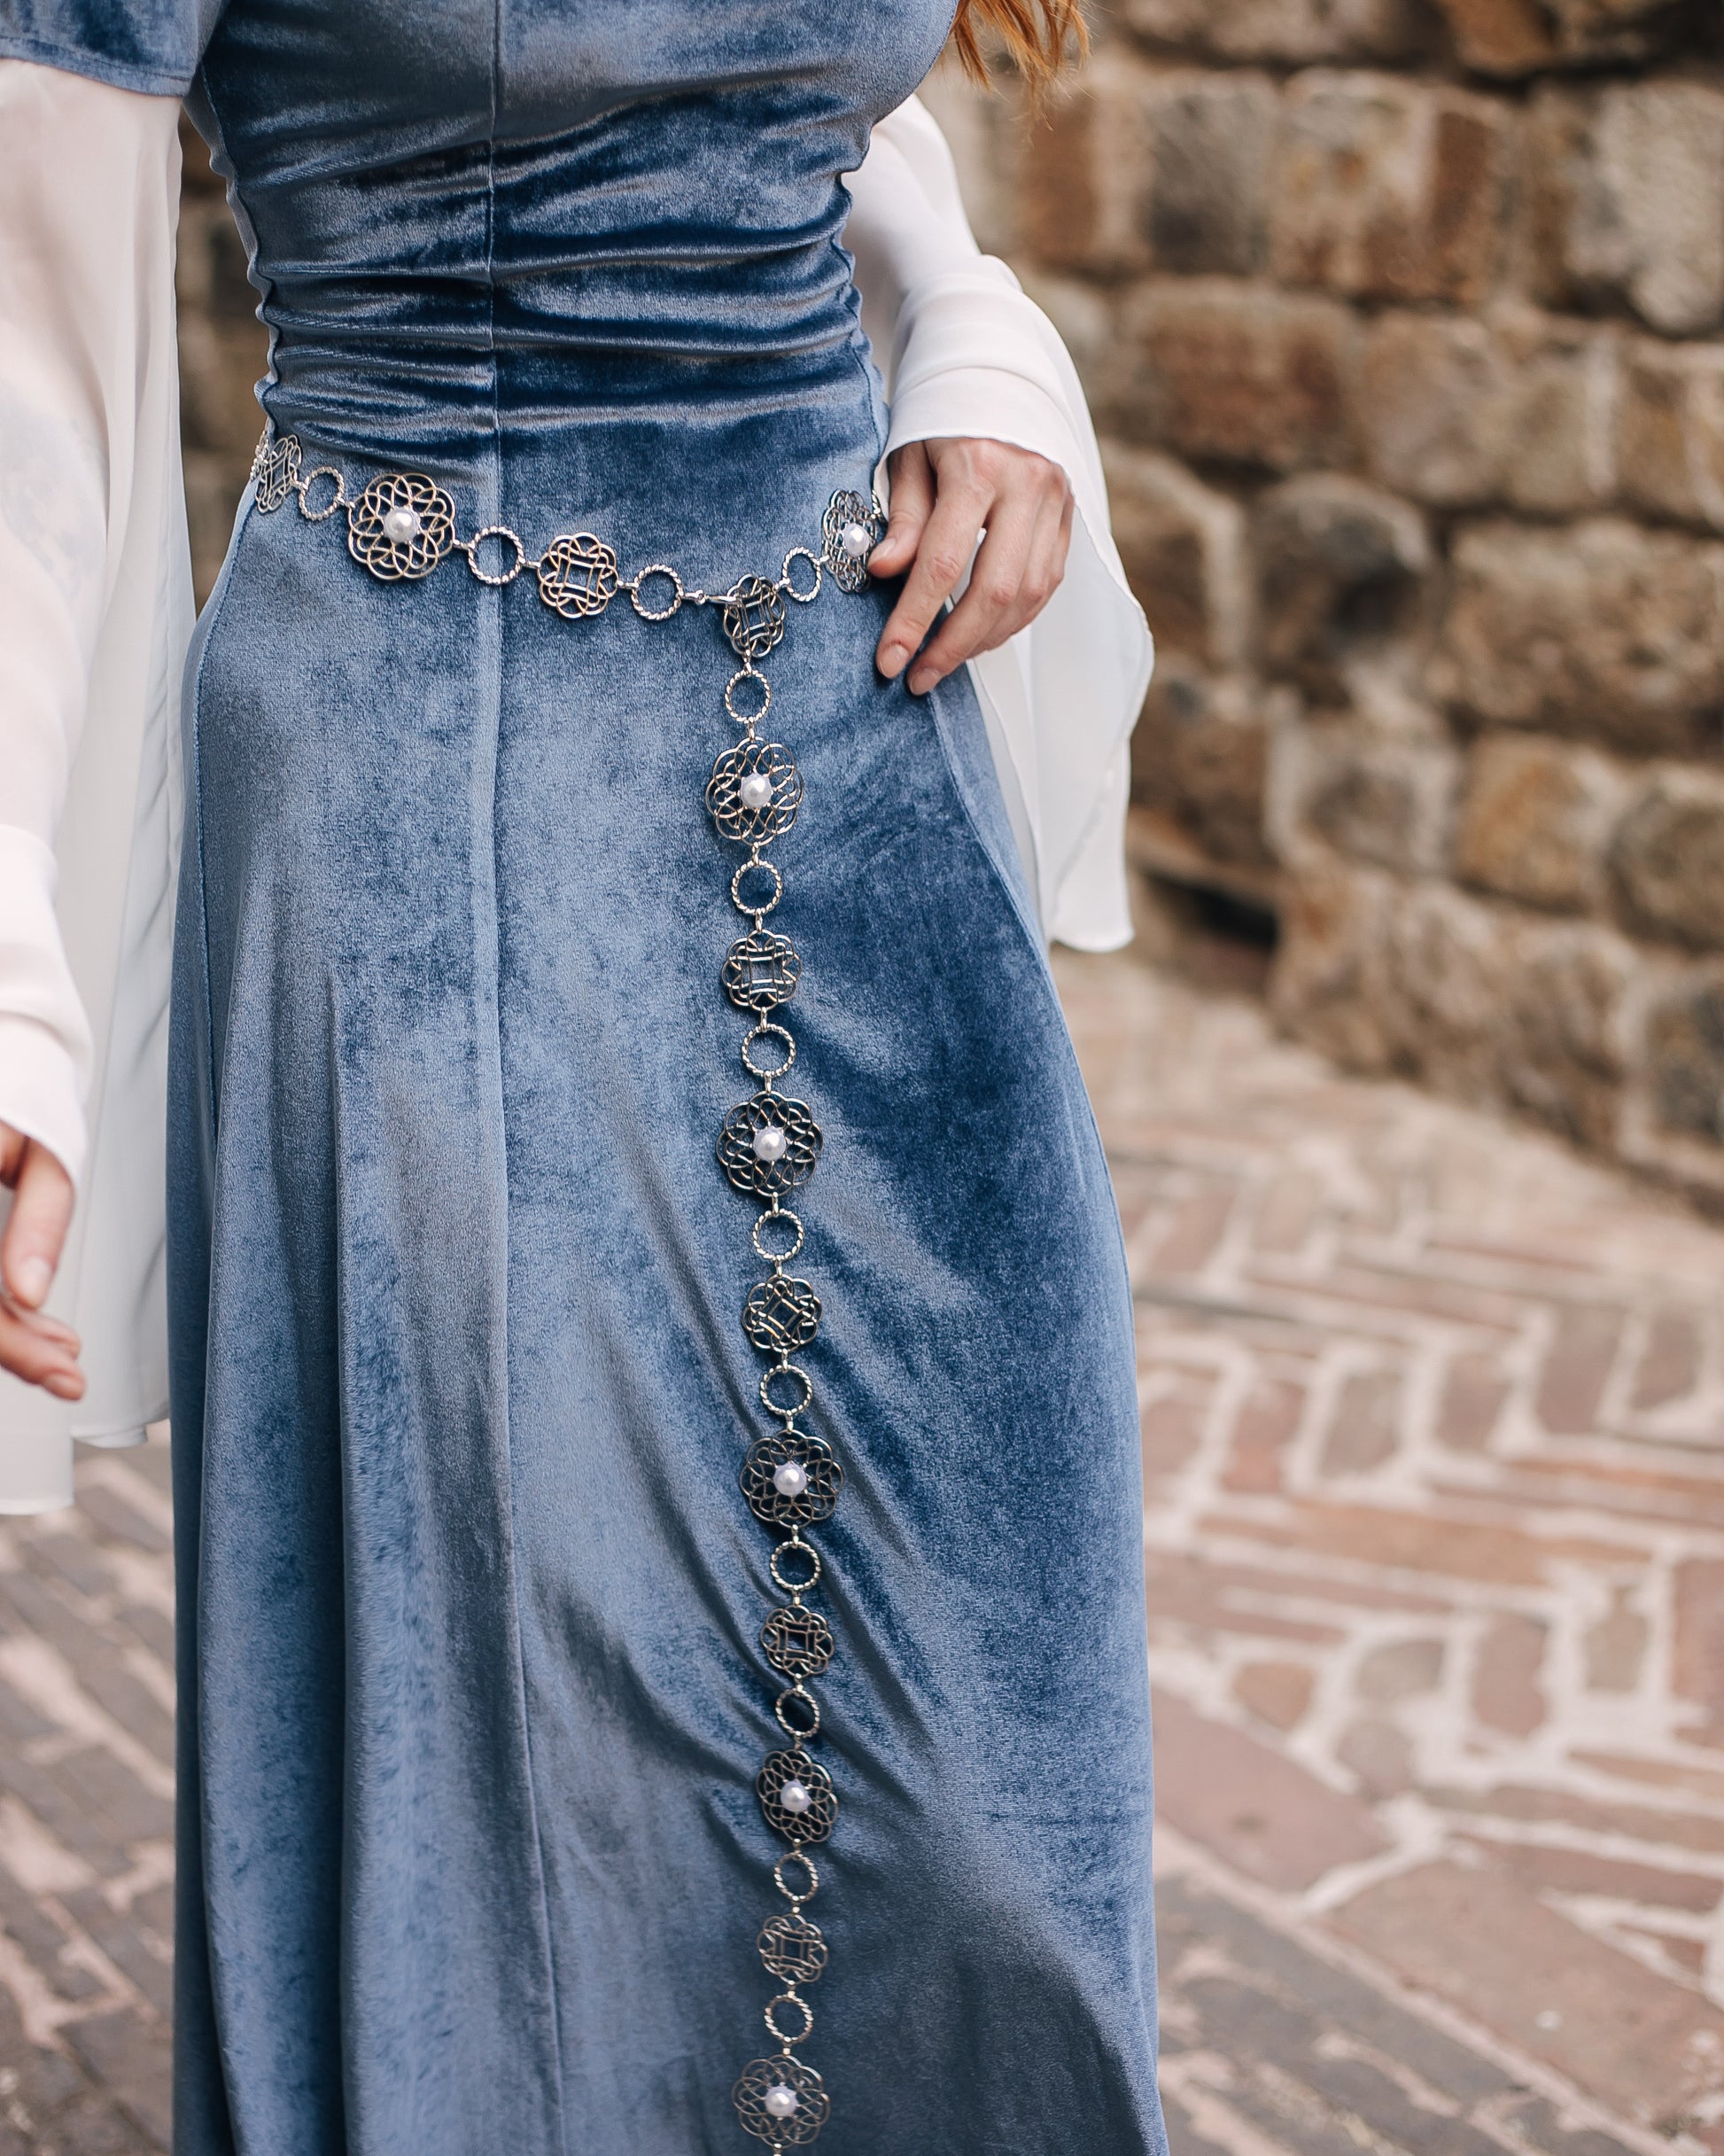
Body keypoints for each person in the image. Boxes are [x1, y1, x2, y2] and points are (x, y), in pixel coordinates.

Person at [0, 1, 1165, 2147]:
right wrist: (16, 978)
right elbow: (32, 385)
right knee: (523, 1782)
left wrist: (970, 334)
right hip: (424, 788)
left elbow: (825, 109)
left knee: (1002, 1822)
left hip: (866, 744)